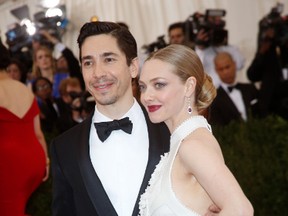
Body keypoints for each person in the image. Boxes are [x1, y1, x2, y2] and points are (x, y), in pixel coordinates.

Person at [50, 21, 219, 216]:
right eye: (88, 63)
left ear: (133, 67)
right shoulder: (64, 147)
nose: (98, 73)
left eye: (109, 59)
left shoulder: (177, 132)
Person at [138, 44, 254, 215]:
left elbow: (241, 210)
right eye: (142, 86)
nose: (146, 96)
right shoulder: (185, 142)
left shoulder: (192, 146)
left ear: (189, 86)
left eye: (159, 85)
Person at [0, 38, 49, 216]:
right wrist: (46, 160)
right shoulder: (24, 89)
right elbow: (38, 133)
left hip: (9, 166)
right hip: (35, 161)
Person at [210, 52, 259, 126]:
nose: (225, 72)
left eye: (227, 67)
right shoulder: (214, 99)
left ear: (234, 64)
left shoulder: (250, 89)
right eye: (221, 69)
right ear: (216, 71)